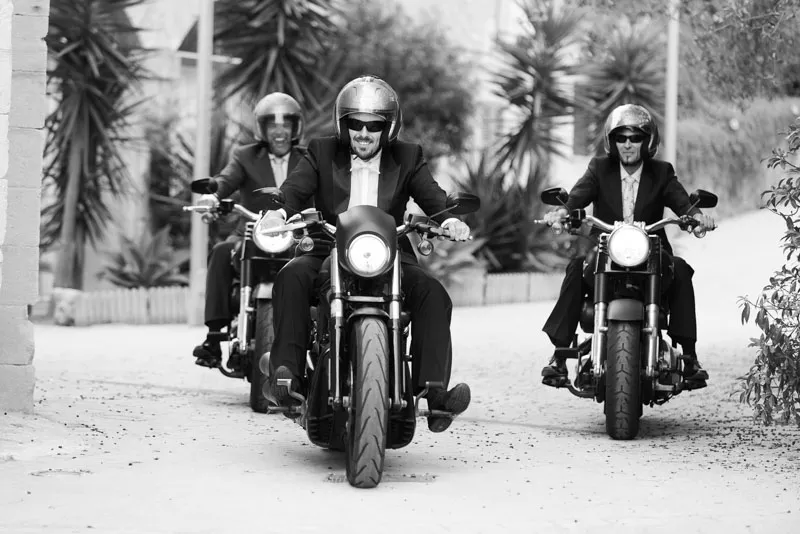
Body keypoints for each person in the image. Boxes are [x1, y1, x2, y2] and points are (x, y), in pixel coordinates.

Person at [264, 75, 472, 432]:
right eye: (355, 124)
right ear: (343, 126)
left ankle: (434, 394)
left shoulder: (408, 155)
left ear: (388, 128)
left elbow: (432, 195)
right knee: (292, 276)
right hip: (330, 244)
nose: (364, 132)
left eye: (373, 125)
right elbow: (295, 187)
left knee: (434, 294)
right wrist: (279, 211)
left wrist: (450, 219)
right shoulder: (321, 150)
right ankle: (288, 380)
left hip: (387, 251)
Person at [540, 103, 716, 389]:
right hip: (607, 249)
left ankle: (690, 356)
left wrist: (698, 218)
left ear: (647, 141)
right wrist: (562, 213)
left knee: (681, 270)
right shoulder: (599, 168)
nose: (628, 144)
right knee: (576, 267)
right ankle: (559, 357)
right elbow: (577, 197)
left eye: (635, 137)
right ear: (612, 141)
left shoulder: (661, 172)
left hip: (651, 252)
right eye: (621, 137)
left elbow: (683, 203)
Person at [192, 92, 308, 368]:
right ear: (262, 129)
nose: (279, 133)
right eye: (272, 126)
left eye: (285, 126)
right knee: (221, 251)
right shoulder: (245, 156)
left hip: (296, 233)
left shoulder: (309, 158)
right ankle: (214, 337)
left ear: (295, 128)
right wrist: (213, 197)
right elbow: (226, 179)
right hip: (254, 230)